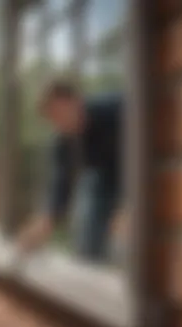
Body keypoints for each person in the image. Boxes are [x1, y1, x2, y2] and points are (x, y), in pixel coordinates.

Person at [17, 79, 124, 262]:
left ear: (75, 101)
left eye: (57, 114)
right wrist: (45, 221)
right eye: (51, 118)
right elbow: (61, 185)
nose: (57, 124)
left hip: (140, 174)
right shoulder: (62, 141)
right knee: (88, 232)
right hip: (104, 179)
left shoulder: (116, 110)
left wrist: (129, 207)